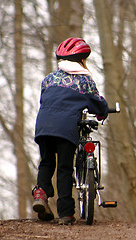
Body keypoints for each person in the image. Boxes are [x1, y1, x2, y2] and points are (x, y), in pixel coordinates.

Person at [32, 37, 109, 225]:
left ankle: (41, 193)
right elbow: (97, 103)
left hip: (43, 126)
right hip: (66, 128)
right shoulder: (84, 81)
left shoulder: (48, 79)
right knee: (65, 168)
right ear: (82, 60)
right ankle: (66, 214)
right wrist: (102, 113)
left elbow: (45, 101)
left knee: (47, 162)